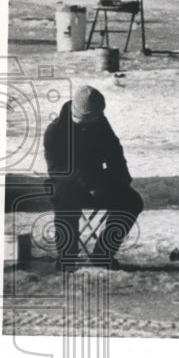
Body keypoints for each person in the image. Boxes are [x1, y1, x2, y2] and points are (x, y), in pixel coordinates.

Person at [42, 85, 144, 269]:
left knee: (132, 201)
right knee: (63, 197)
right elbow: (58, 169)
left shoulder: (100, 124)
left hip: (97, 183)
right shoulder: (55, 132)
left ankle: (103, 254)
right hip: (68, 184)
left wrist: (121, 177)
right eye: (96, 116)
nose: (99, 118)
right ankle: (67, 257)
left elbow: (114, 152)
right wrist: (89, 184)